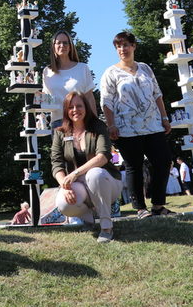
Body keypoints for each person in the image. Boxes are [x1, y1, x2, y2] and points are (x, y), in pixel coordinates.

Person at [100, 31, 174, 218]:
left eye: (126, 45)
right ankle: (140, 208)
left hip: (152, 125)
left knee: (163, 162)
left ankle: (158, 205)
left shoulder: (146, 69)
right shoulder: (110, 73)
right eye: (118, 46)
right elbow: (106, 101)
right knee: (134, 166)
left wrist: (164, 118)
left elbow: (157, 94)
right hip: (126, 129)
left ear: (134, 46)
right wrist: (111, 125)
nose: (122, 49)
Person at [51, 91, 122, 243]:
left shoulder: (98, 126)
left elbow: (103, 156)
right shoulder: (60, 133)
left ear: (86, 107)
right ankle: (88, 219)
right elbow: (56, 164)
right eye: (71, 107)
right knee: (63, 204)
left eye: (79, 106)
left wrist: (75, 174)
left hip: (106, 180)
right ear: (66, 110)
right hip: (80, 184)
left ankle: (106, 227)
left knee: (94, 174)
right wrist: (64, 185)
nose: (75, 110)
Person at [43, 30, 96, 127]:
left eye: (65, 42)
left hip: (81, 121)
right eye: (58, 43)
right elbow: (46, 97)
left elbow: (89, 97)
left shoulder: (82, 68)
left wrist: (96, 123)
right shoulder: (47, 71)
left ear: (70, 46)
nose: (62, 45)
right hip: (58, 123)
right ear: (53, 46)